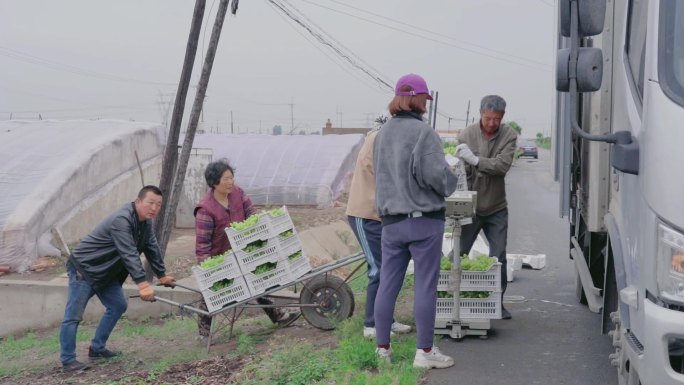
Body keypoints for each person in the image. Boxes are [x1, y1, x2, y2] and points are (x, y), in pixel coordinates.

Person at [372, 73, 459, 369]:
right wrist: (451, 174)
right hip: (423, 222)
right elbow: (437, 177)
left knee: (388, 284)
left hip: (391, 222)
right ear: (417, 98)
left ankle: (382, 349)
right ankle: (424, 352)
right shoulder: (424, 133)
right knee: (424, 286)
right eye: (424, 98)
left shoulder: (381, 135)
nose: (426, 103)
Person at [59, 185, 176, 372]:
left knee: (118, 305)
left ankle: (97, 348)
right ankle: (68, 360)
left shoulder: (146, 222)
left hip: (105, 272)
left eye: (158, 205)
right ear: (138, 201)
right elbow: (129, 252)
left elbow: (151, 247)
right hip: (85, 269)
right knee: (73, 317)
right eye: (150, 203)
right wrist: (143, 283)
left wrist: (162, 276)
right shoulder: (121, 220)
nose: (154, 208)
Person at [194, 159, 299, 340]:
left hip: (243, 250)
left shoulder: (238, 193)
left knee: (257, 279)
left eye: (231, 178)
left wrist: (255, 230)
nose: (230, 182)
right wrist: (208, 268)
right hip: (218, 256)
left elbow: (251, 213)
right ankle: (204, 334)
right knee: (210, 292)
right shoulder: (205, 209)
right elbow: (202, 244)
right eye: (225, 179)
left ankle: (279, 316)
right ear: (214, 182)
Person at [346, 127, 412, 339]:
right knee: (379, 269)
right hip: (365, 215)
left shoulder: (382, 138)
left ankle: (386, 320)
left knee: (389, 267)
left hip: (379, 215)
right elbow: (387, 172)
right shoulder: (377, 139)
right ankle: (371, 325)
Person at [456, 95, 518, 320]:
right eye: (488, 118)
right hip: (470, 207)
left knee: (498, 256)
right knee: (458, 253)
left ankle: (497, 303)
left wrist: (476, 160)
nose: (492, 123)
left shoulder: (509, 135)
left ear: (502, 117)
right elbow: (459, 170)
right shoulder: (466, 135)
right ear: (480, 113)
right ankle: (453, 299)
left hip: (496, 207)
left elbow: (502, 166)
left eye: (497, 119)